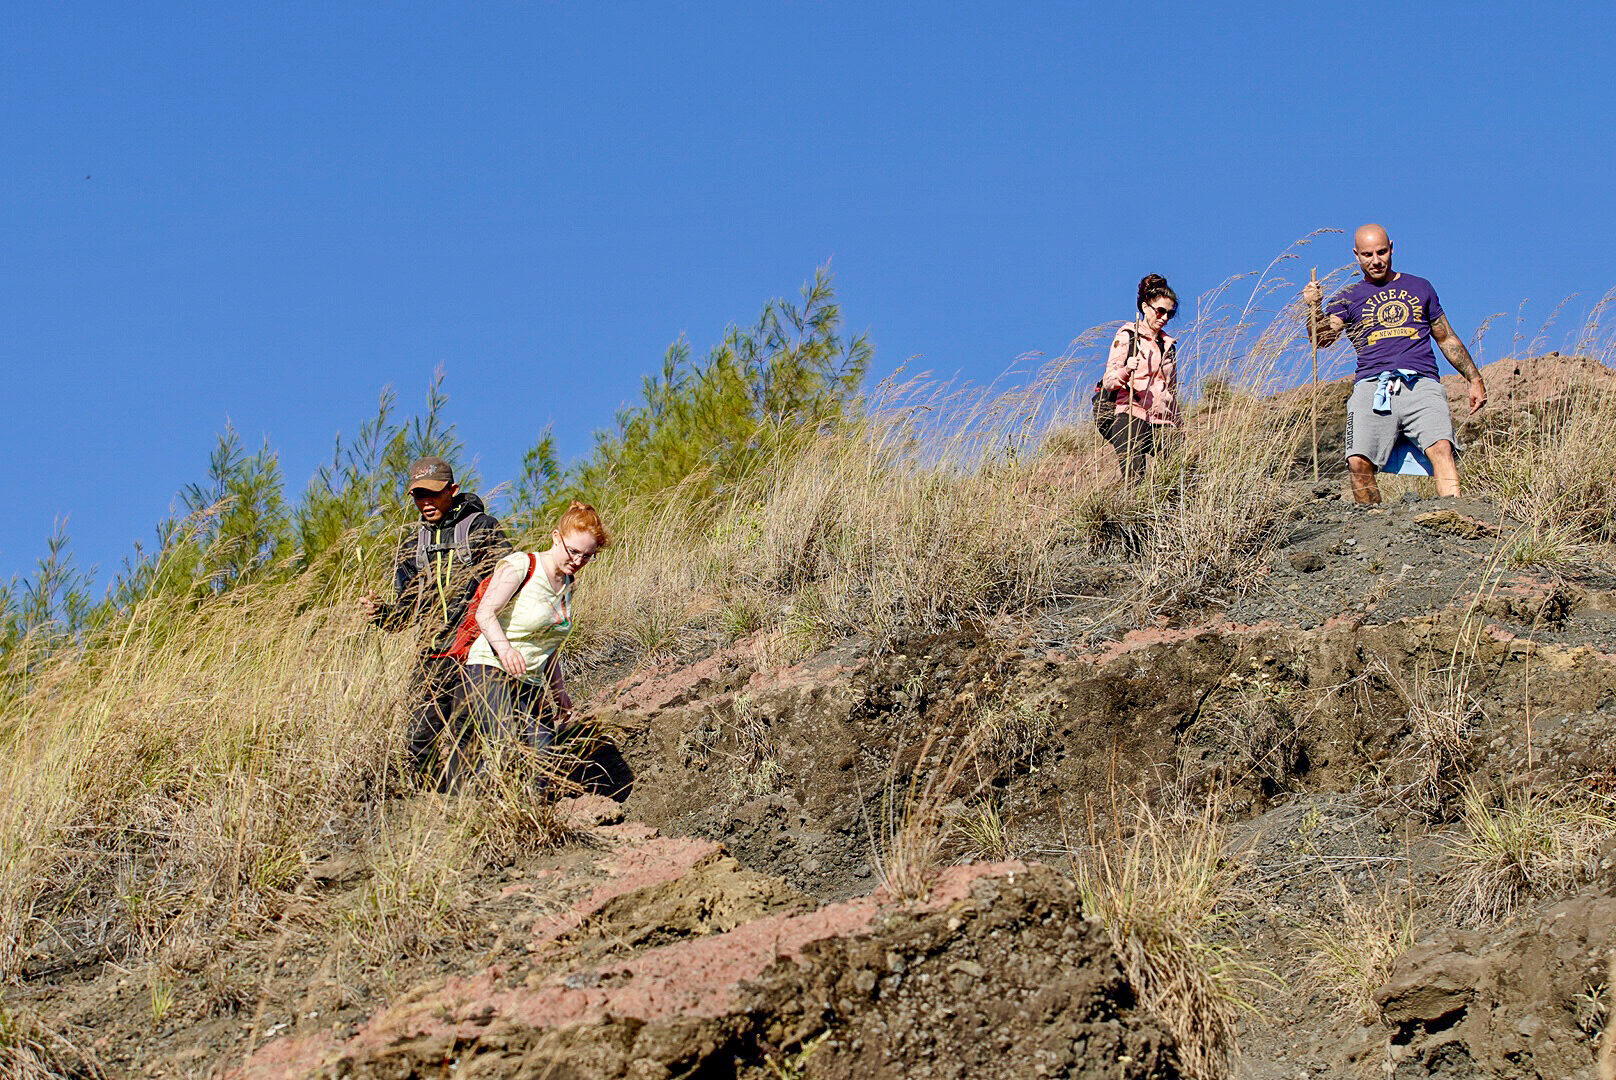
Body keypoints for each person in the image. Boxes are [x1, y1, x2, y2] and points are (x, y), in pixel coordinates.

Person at [1304, 224, 1487, 503]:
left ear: (1392, 247)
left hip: (1421, 381)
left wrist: (1474, 379)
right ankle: (1372, 529)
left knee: (1442, 448)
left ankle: (1454, 518)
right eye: (1367, 255)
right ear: (1356, 255)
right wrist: (1314, 307)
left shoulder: (1420, 287)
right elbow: (1323, 339)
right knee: (1357, 462)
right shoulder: (1348, 295)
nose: (1375, 261)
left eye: (1381, 252)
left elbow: (1446, 336)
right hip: (1372, 384)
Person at [361, 455, 511, 788]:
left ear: (453, 489)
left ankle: (465, 815)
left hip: (475, 654)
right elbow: (404, 614)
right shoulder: (413, 546)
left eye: (433, 493)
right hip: (429, 658)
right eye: (418, 495)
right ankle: (423, 813)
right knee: (416, 742)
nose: (425, 501)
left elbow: (510, 585)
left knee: (466, 741)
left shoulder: (483, 528)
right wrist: (381, 613)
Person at [459, 500, 608, 788]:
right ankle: (484, 813)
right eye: (573, 551)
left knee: (542, 755)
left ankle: (533, 819)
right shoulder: (522, 565)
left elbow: (548, 645)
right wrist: (505, 649)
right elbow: (484, 612)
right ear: (556, 537)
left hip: (529, 680)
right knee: (505, 745)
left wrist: (559, 693)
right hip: (490, 669)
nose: (578, 561)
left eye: (587, 556)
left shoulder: (567, 585)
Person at [1101, 274, 1183, 482]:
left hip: (1163, 420)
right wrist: (1126, 369)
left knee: (1179, 475)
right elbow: (1109, 381)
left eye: (1170, 314)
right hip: (1131, 413)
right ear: (1146, 307)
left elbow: (1170, 390)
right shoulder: (1129, 336)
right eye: (1161, 311)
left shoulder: (1169, 346)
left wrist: (1179, 424)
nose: (1164, 318)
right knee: (1135, 479)